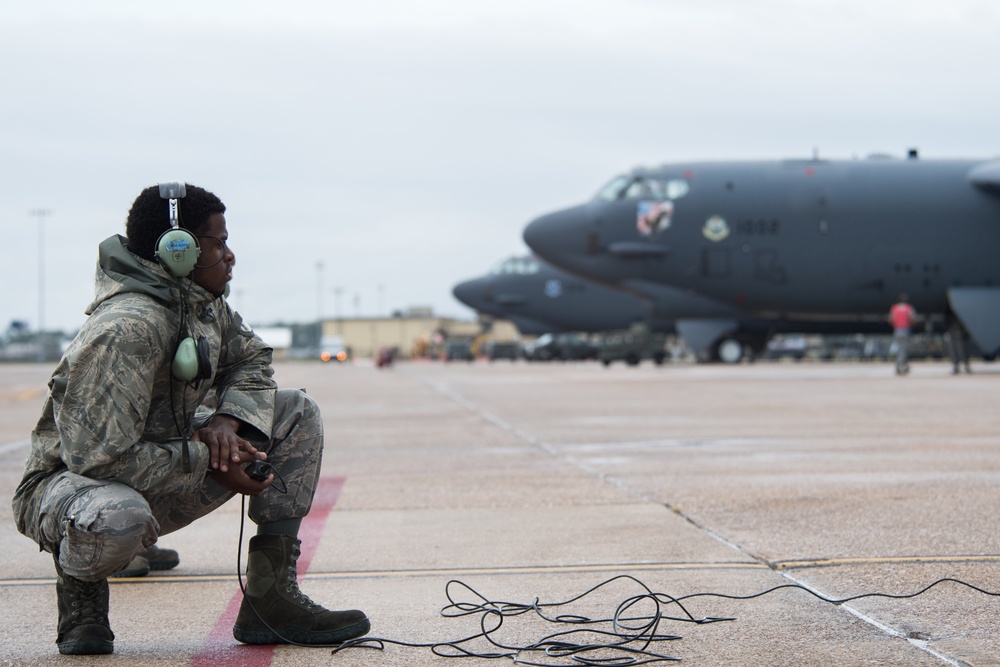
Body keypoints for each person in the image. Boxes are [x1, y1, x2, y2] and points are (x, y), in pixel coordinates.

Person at [11, 183, 369, 655]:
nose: (230, 255)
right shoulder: (126, 330)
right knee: (119, 515)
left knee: (295, 413)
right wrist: (209, 459)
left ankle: (271, 598)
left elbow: (252, 360)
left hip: (163, 466)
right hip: (73, 491)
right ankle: (83, 598)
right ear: (178, 251)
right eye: (218, 242)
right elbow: (98, 462)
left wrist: (228, 423)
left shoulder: (201, 305)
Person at [888, 293, 917, 375]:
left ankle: (900, 365)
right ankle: (901, 365)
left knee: (899, 348)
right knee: (904, 349)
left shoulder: (894, 308)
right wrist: (909, 324)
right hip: (905, 330)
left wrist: (897, 324)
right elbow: (913, 318)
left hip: (897, 330)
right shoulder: (908, 308)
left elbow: (891, 319)